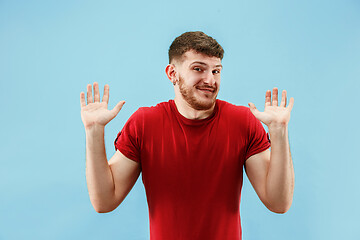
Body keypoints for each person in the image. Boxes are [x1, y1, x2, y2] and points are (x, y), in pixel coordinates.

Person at [80, 31, 295, 240]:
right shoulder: (144, 123)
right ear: (172, 73)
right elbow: (104, 202)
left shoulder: (242, 121)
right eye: (199, 69)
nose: (210, 80)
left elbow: (278, 203)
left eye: (216, 71)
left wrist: (279, 132)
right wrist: (94, 131)